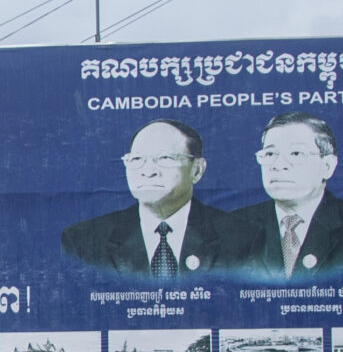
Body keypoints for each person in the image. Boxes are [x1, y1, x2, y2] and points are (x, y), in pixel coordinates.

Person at [61, 119, 262, 278]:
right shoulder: (83, 241)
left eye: (165, 158)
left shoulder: (242, 238)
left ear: (197, 170)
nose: (148, 172)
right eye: (137, 160)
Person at [229, 112, 343, 277]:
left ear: (327, 166)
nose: (278, 165)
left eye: (296, 153)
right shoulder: (231, 228)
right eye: (270, 154)